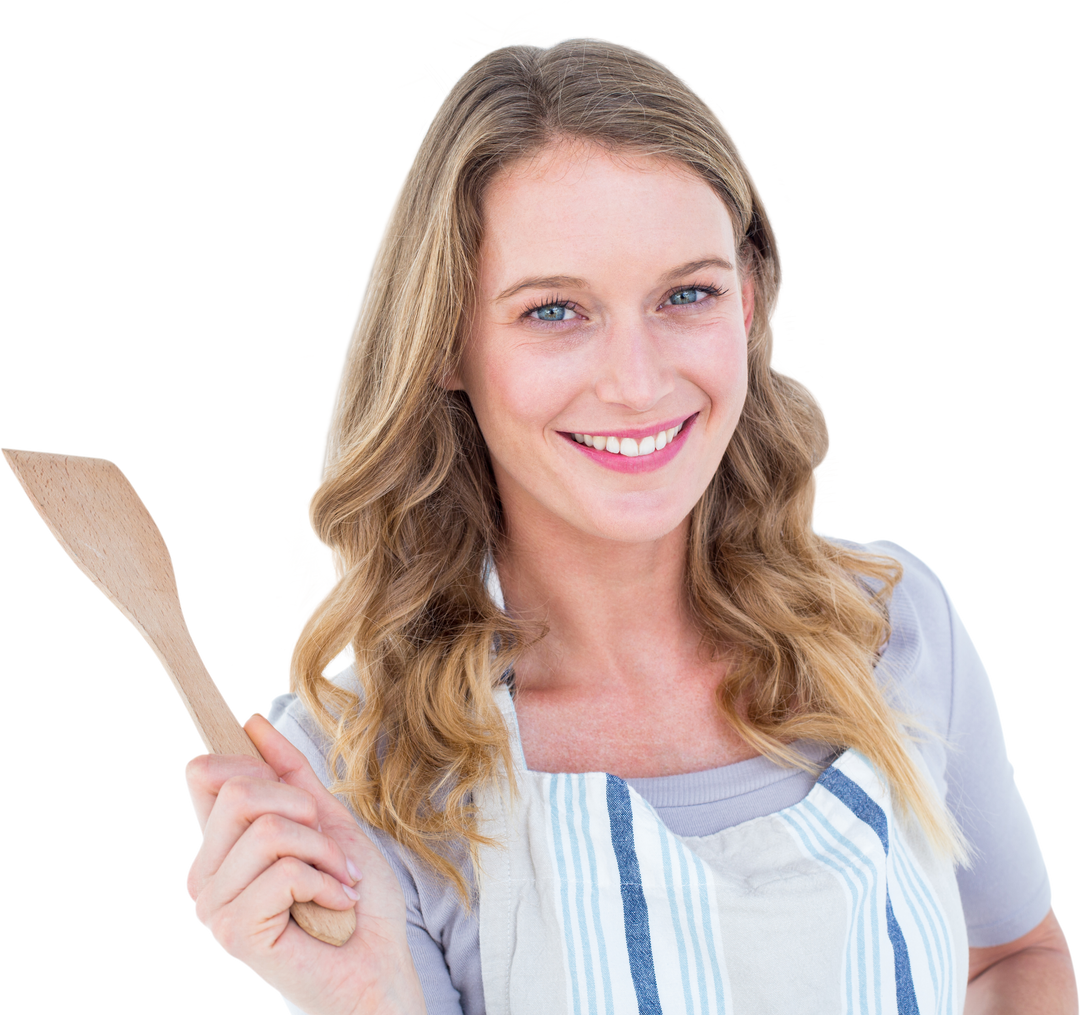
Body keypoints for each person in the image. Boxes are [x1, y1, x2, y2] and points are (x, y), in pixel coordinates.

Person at [180, 17, 1076, 1015]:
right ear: (447, 344)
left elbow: (1010, 959)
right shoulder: (354, 774)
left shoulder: (890, 619)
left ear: (747, 302)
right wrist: (358, 994)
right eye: (555, 311)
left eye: (686, 293)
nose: (639, 382)